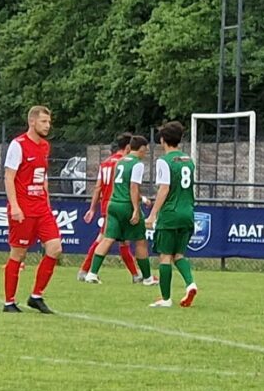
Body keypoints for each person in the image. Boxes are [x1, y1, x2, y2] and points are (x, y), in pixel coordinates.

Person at [2, 105, 59, 314]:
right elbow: (9, 177)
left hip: (41, 208)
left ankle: (36, 296)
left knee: (55, 248)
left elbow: (43, 176)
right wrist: (15, 206)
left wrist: (47, 203)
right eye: (44, 121)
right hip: (23, 208)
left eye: (49, 121)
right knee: (18, 253)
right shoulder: (18, 145)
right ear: (32, 122)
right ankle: (9, 302)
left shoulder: (45, 146)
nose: (47, 125)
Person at [78, 132, 149, 284]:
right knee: (113, 240)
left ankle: (134, 274)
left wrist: (92, 208)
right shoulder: (129, 162)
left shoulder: (107, 163)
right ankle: (86, 270)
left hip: (109, 205)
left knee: (113, 240)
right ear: (129, 147)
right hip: (124, 203)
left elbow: (97, 187)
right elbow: (132, 186)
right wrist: (139, 202)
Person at [144, 122, 198, 308]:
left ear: (162, 140)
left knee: (165, 256)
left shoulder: (164, 161)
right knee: (179, 255)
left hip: (170, 214)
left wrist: (152, 215)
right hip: (188, 212)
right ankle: (190, 284)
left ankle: (165, 298)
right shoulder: (189, 160)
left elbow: (164, 189)